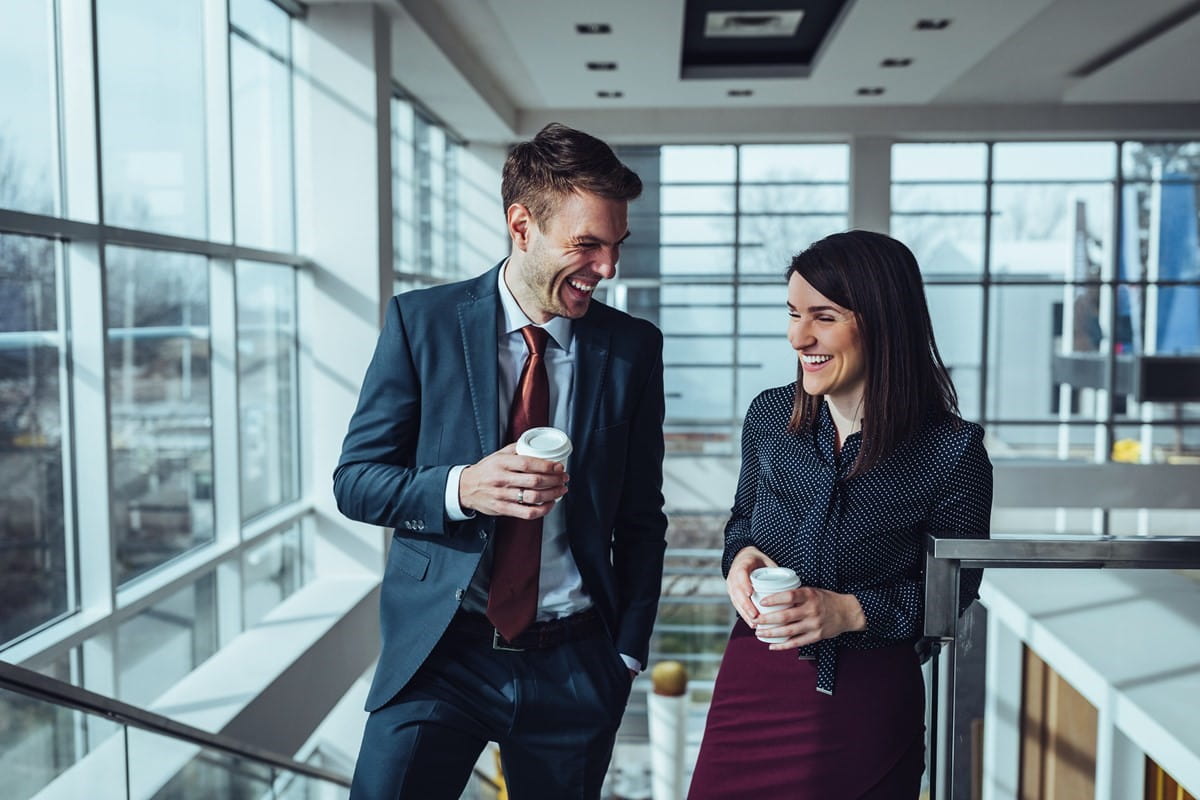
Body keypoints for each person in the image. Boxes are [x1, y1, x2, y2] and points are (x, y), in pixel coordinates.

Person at [334, 123, 667, 799]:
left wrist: (625, 651)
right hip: (442, 650)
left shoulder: (633, 348)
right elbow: (357, 483)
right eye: (588, 245)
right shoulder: (419, 323)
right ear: (523, 226)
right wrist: (463, 488)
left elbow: (641, 515)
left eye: (616, 246)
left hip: (576, 661)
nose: (608, 269)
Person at [688, 230, 992, 799]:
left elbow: (954, 593)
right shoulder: (770, 416)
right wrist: (740, 559)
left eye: (822, 317)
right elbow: (741, 525)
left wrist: (850, 612)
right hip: (755, 674)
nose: (798, 336)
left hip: (865, 699)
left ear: (880, 321)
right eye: (793, 313)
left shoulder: (952, 452)